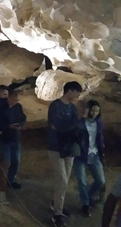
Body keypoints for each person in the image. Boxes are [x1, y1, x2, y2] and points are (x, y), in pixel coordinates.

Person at [48, 81, 83, 227]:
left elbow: (71, 127)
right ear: (70, 91)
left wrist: (71, 125)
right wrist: (74, 122)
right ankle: (57, 214)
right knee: (62, 179)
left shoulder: (73, 108)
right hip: (56, 147)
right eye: (77, 92)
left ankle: (56, 204)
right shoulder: (55, 106)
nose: (78, 96)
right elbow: (58, 127)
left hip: (70, 148)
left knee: (64, 180)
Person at [73, 100, 106, 218]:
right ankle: (85, 205)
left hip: (94, 154)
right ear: (88, 110)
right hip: (80, 155)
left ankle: (87, 195)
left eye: (97, 111)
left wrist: (102, 152)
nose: (95, 113)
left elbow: (99, 138)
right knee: (82, 181)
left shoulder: (99, 123)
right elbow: (74, 130)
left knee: (100, 180)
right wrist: (82, 117)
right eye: (93, 110)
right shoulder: (81, 122)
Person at [0, 89, 26, 190]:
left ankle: (11, 180)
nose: (15, 102)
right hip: (4, 137)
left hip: (15, 137)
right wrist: (8, 126)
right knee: (5, 160)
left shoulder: (18, 107)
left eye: (17, 100)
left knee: (16, 161)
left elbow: (22, 118)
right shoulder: (0, 107)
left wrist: (20, 125)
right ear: (9, 97)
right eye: (13, 99)